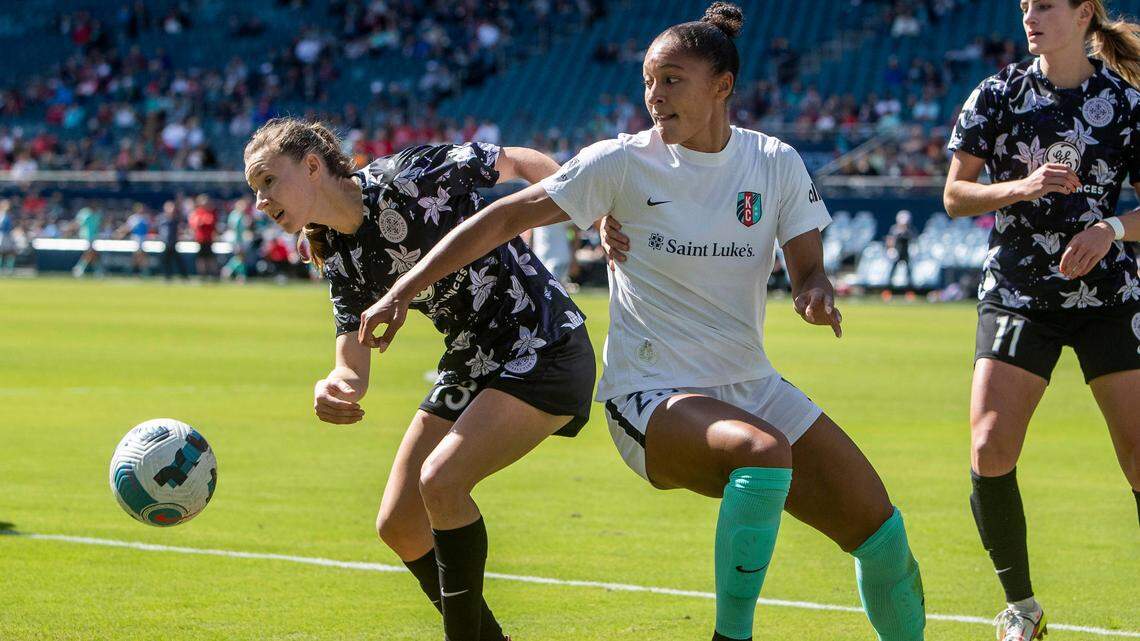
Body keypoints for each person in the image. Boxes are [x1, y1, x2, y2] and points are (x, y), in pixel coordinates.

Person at [357, 5, 925, 641]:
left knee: (884, 538)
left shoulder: (775, 162)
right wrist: (401, 290)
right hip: (649, 394)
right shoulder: (620, 163)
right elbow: (501, 219)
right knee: (762, 454)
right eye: (649, 81)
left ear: (722, 86)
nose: (655, 96)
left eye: (673, 79)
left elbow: (808, 268)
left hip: (750, 383)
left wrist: (814, 293)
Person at [242, 118, 595, 641]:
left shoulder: (407, 175)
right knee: (399, 524)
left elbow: (519, 161)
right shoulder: (337, 252)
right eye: (255, 190)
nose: (261, 202)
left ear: (312, 166)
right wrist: (335, 386)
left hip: (543, 343)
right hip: (474, 360)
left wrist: (584, 212)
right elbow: (351, 362)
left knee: (442, 481)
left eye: (268, 181)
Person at [944, 2, 1140, 639]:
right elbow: (954, 194)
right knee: (988, 446)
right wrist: (1020, 188)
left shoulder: (1128, 100)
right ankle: (1021, 610)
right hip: (1020, 293)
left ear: (1084, 14)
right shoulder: (997, 93)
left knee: (1139, 459)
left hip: (1108, 296)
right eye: (1025, 6)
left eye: (1046, 5)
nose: (1030, 16)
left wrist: (1110, 229)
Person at [189, 194, 219, 279]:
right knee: (201, 259)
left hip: (208, 239)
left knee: (210, 258)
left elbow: (210, 222)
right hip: (200, 239)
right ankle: (202, 275)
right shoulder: (198, 212)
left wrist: (202, 222)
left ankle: (213, 275)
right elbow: (195, 223)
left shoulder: (210, 212)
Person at [158, 200, 189, 281]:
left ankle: (184, 276)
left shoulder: (175, 219)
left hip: (173, 243)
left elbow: (179, 229)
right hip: (165, 243)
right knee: (166, 261)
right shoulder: (162, 218)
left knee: (178, 261)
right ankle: (167, 277)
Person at [885, 210, 917, 289]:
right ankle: (888, 286)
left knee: (908, 271)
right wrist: (890, 249)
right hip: (897, 252)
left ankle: (910, 287)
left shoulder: (910, 230)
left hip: (906, 253)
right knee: (893, 270)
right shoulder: (894, 229)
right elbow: (890, 240)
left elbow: (914, 240)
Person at [71, 202, 103, 277]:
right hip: (85, 237)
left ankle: (96, 270)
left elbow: (98, 226)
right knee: (90, 252)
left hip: (93, 237)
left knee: (93, 253)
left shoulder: (98, 214)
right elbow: (78, 224)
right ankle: (80, 268)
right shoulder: (84, 213)